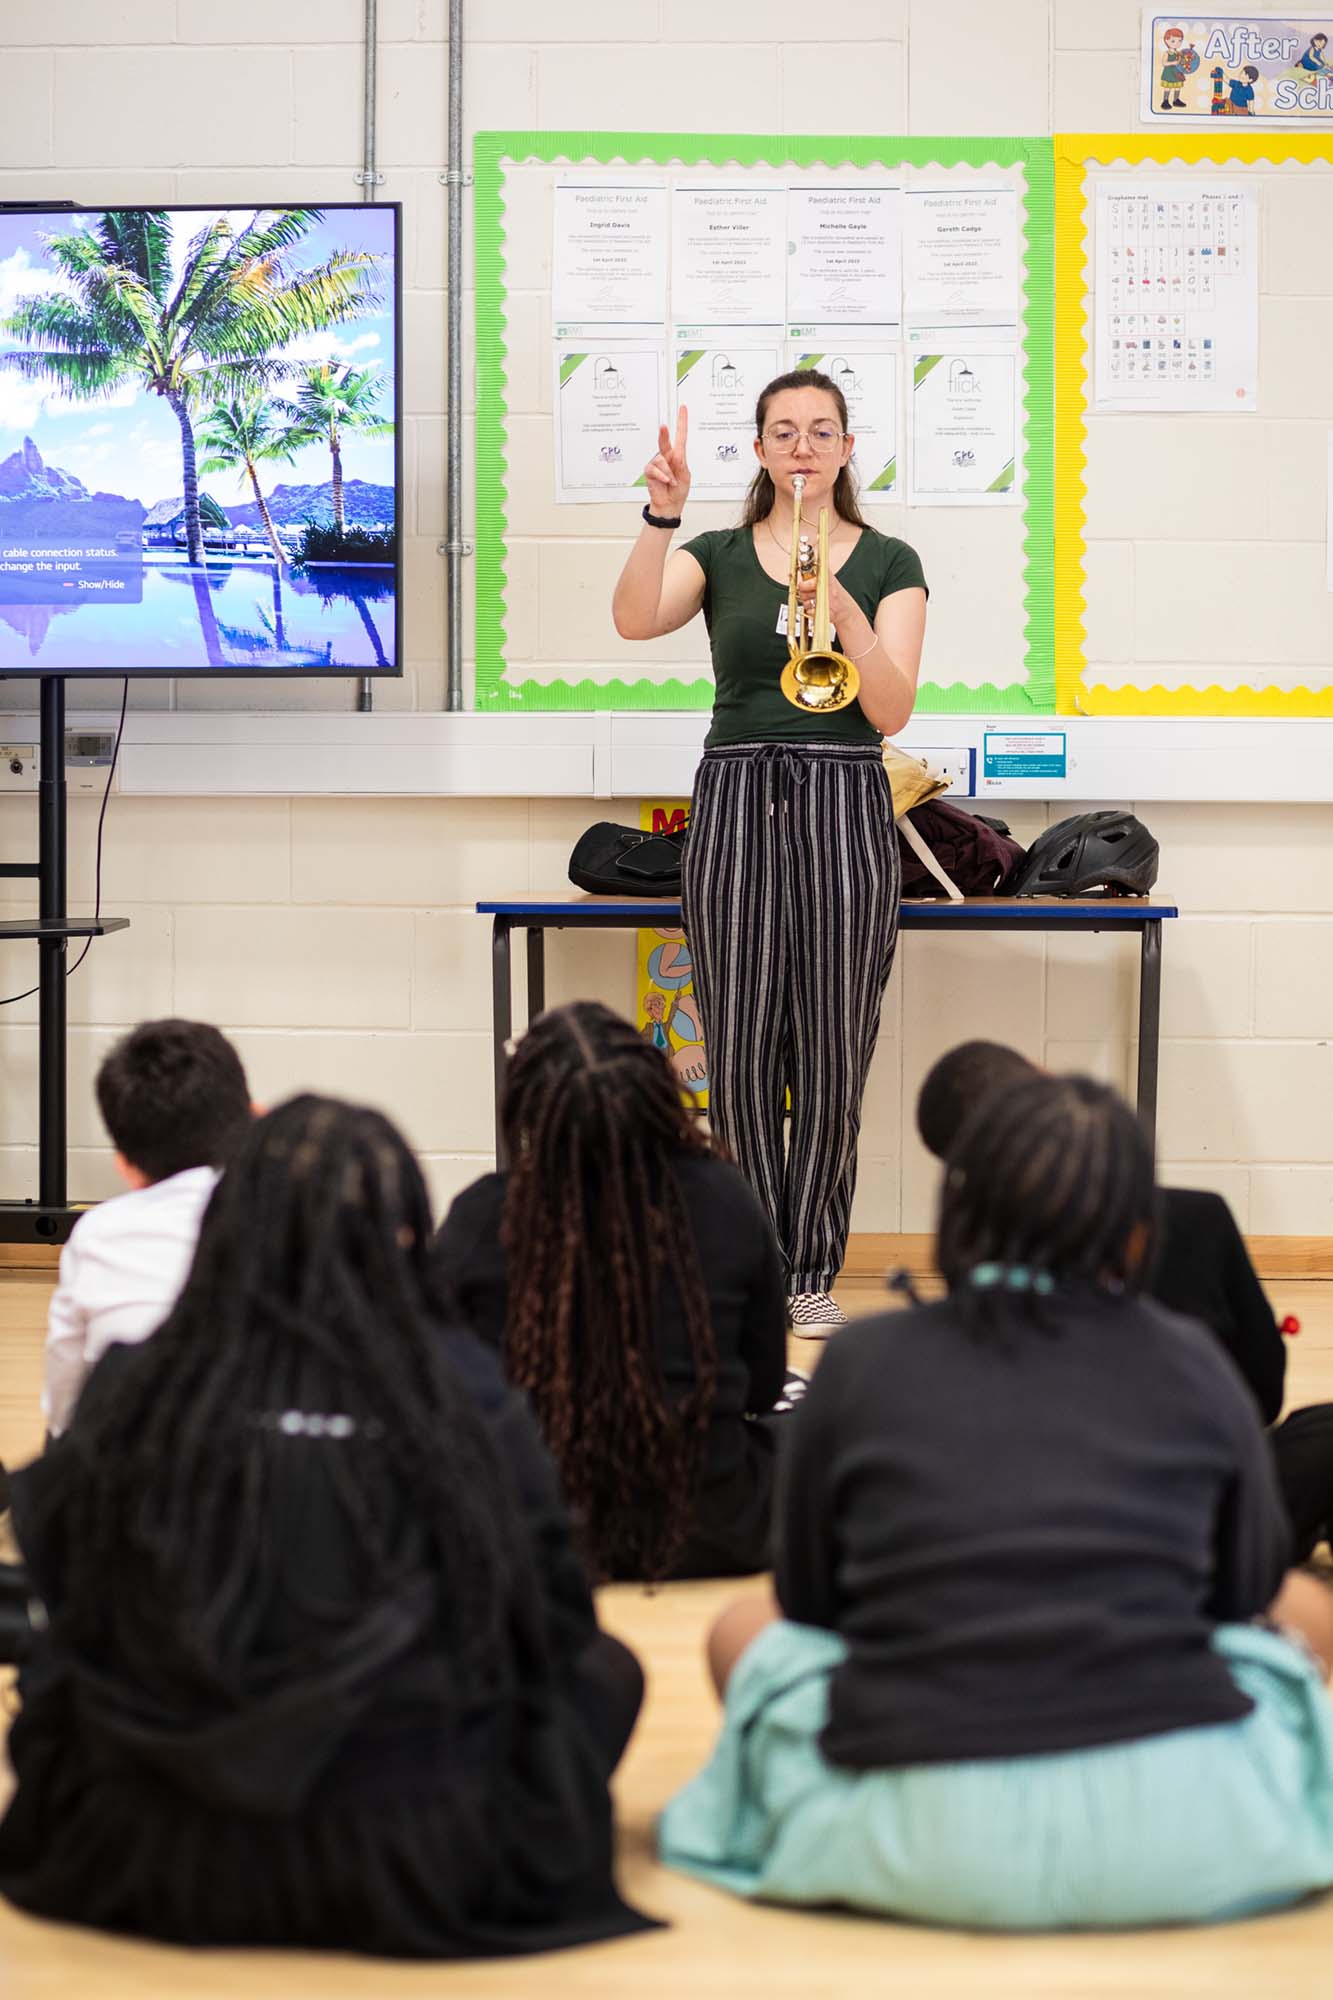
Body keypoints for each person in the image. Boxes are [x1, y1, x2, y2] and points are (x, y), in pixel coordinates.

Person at [659, 1073, 1333, 1930]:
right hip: (1178, 1829)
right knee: (1305, 1609)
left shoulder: (864, 1358)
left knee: (739, 1631)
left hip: (906, 1822)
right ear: (1135, 1237)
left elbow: (808, 1599)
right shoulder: (1194, 1364)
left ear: (955, 1210)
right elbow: (1242, 1593)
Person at [0, 1095, 652, 1957]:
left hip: (149, 1843)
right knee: (604, 1671)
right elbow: (550, 1610)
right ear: (405, 1233)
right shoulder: (460, 1388)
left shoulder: (140, 1383)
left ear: (227, 1228)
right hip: (408, 1851)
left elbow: (68, 1588)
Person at [612, 372, 928, 1335]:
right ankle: (750, 1269)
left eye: (819, 432)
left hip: (843, 797)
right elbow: (633, 619)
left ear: (844, 448)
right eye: (782, 432)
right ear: (757, 450)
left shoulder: (890, 558)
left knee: (834, 1051)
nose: (801, 447)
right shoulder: (712, 551)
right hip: (738, 794)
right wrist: (659, 515)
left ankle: (811, 1273)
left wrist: (847, 613)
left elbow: (893, 710)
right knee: (741, 1049)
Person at [917, 1039, 1333, 1559]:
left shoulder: (956, 1284)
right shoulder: (1195, 1224)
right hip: (1190, 1530)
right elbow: (1260, 1395)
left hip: (1016, 1524)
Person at [432, 1001, 789, 1583]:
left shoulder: (482, 1216)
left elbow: (441, 1387)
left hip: (537, 1526)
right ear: (657, 1093)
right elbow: (766, 1382)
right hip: (716, 1528)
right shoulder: (724, 1195)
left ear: (527, 1109)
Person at [42, 1017, 253, 1439]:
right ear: (250, 1118)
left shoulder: (100, 1231)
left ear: (127, 1168)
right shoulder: (299, 1216)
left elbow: (64, 1394)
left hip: (134, 1471)